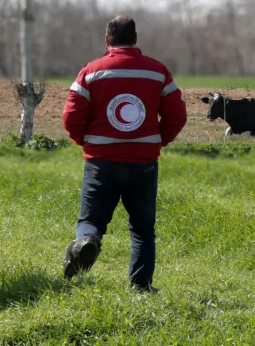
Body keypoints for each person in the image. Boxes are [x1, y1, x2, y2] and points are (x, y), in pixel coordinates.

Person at [60, 15, 187, 292]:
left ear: (107, 40)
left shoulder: (91, 71)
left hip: (100, 162)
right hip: (143, 163)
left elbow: (70, 116)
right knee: (142, 230)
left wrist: (85, 141)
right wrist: (157, 142)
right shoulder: (158, 72)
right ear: (135, 39)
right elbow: (177, 115)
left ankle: (88, 242)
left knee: (91, 220)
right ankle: (141, 287)